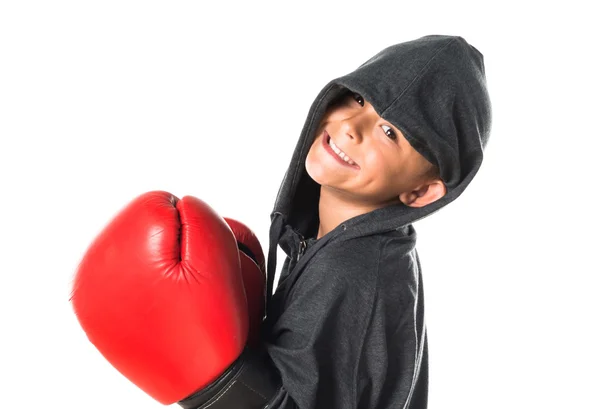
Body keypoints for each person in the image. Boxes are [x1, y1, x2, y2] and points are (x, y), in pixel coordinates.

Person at [71, 34, 491, 409]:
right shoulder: (339, 240)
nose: (350, 126)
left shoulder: (350, 270)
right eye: (361, 99)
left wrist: (213, 382)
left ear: (421, 191)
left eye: (390, 132)